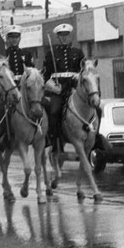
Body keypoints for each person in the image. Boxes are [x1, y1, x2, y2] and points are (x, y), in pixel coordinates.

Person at [43, 23, 84, 153]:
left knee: (95, 109)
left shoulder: (78, 52)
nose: (64, 38)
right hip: (58, 91)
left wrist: (77, 79)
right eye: (61, 35)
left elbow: (83, 71)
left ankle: (97, 138)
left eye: (66, 35)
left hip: (74, 89)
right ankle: (55, 141)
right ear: (58, 37)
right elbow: (45, 75)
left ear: (70, 35)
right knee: (54, 111)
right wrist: (52, 87)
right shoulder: (51, 54)